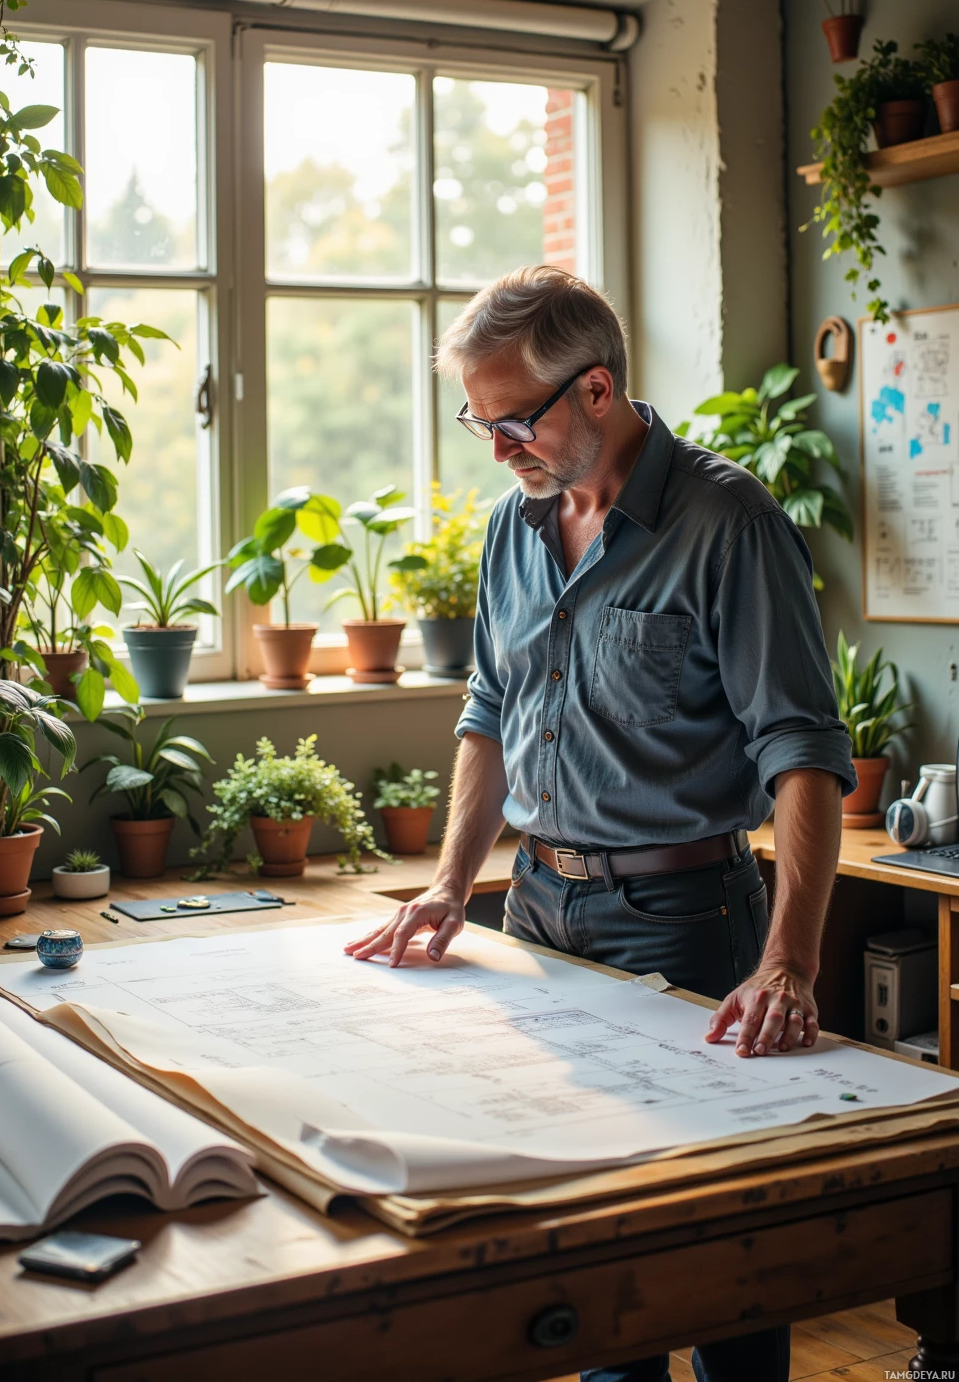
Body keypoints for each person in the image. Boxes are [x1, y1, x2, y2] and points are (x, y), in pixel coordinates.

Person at [345, 264, 855, 1382]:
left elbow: (803, 752)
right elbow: (487, 714)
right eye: (480, 424)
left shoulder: (728, 522)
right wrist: (444, 886)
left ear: (596, 390)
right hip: (539, 919)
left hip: (684, 920)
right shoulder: (510, 528)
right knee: (586, 1268)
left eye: (513, 420)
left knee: (720, 1265)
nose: (497, 449)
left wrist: (790, 962)